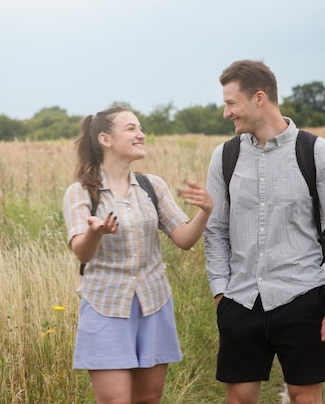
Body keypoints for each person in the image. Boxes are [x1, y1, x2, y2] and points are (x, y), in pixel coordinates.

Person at [203, 59, 325, 404]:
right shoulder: (224, 156)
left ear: (259, 98)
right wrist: (220, 293)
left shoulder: (315, 151)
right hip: (241, 299)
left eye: (231, 103)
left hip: (302, 296)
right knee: (240, 398)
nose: (226, 113)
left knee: (303, 396)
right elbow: (215, 231)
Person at [62, 105, 213, 404]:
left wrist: (206, 212)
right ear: (106, 139)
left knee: (148, 399)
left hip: (154, 303)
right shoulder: (80, 193)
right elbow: (83, 253)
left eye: (140, 128)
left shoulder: (152, 186)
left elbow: (183, 238)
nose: (140, 134)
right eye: (131, 128)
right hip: (106, 305)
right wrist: (95, 233)